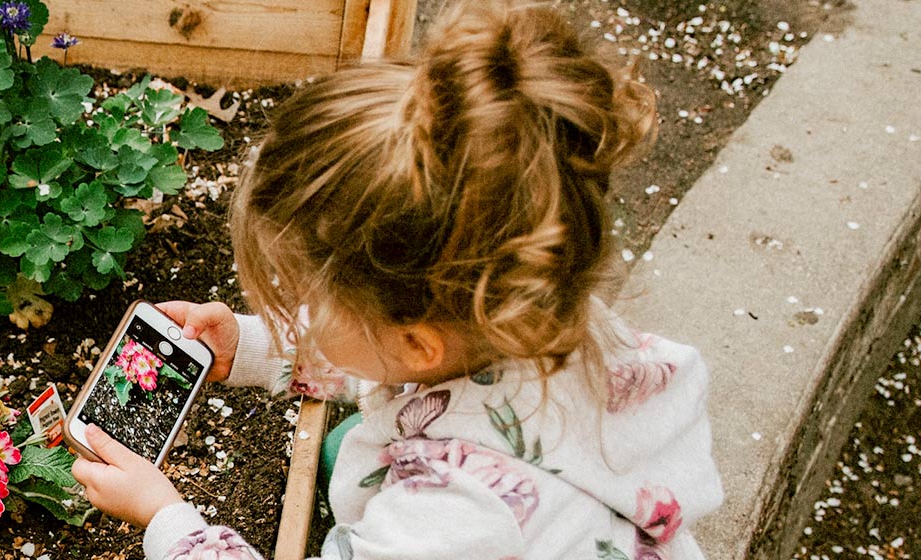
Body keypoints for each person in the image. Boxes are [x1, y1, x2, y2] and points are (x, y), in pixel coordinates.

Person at [68, 1, 723, 558]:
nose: (293, 306)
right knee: (350, 444)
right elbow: (385, 353)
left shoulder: (452, 519)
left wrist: (167, 520)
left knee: (347, 453)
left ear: (418, 344)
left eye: (307, 298)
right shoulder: (519, 316)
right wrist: (250, 344)